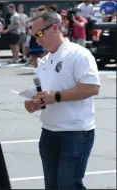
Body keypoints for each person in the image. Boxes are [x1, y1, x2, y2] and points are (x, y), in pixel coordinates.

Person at [26, 10, 100, 189]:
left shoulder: (78, 54)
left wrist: (56, 97)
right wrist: (36, 103)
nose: (37, 39)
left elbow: (92, 87)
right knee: (52, 185)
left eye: (39, 33)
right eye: (33, 35)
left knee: (68, 185)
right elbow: (47, 96)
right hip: (49, 132)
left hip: (75, 133)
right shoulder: (44, 62)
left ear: (54, 28)